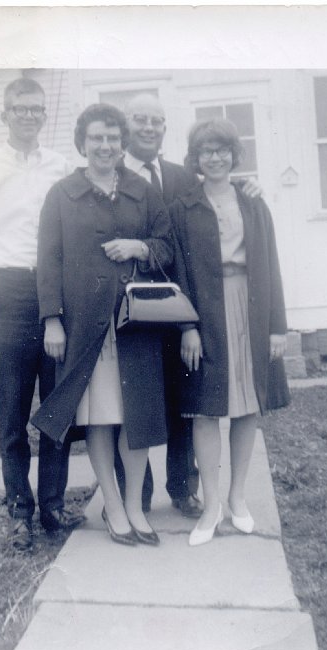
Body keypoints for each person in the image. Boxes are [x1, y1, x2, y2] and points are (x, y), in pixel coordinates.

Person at [116, 92, 265, 519]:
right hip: (136, 302)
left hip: (188, 298)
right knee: (137, 400)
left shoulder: (183, 176)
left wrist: (249, 185)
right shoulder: (111, 175)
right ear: (128, 128)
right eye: (139, 119)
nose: (148, 127)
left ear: (165, 129)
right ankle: (136, 498)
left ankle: (183, 488)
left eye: (156, 121)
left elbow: (217, 202)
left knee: (191, 393)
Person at [31, 103, 174, 546]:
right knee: (98, 416)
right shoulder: (62, 193)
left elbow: (167, 247)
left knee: (137, 416)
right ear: (83, 142)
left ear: (122, 143)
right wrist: (52, 320)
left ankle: (135, 505)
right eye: (97, 138)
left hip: (135, 323)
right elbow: (48, 260)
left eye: (113, 138)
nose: (106, 146)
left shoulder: (142, 190)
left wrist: (138, 247)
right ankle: (112, 506)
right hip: (85, 322)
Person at [0, 77, 84, 552]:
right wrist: (6, 282)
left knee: (57, 407)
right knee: (12, 410)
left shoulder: (63, 167)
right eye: (20, 109)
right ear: (5, 114)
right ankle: (19, 510)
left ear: (43, 115)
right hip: (11, 293)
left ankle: (53, 507)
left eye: (36, 109)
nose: (29, 116)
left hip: (56, 292)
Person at [168, 117, 291, 546]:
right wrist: (188, 326)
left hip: (251, 310)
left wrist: (277, 326)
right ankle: (211, 504)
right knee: (206, 408)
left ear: (233, 155)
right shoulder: (183, 207)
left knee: (247, 405)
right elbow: (179, 271)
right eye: (206, 151)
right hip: (206, 313)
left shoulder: (254, 203)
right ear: (196, 158)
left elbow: (270, 264)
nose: (215, 157)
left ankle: (238, 498)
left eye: (222, 150)